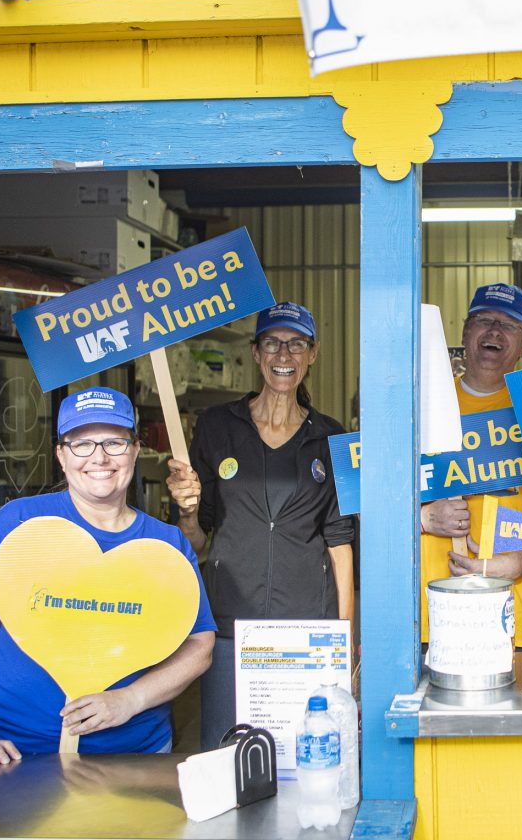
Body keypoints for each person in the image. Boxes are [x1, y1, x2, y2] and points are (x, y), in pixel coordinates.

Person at [0, 388, 215, 765]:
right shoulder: (16, 525)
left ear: (135, 449)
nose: (99, 457)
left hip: (136, 759)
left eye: (115, 442)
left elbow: (199, 646)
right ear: (61, 456)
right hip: (13, 759)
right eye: (81, 444)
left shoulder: (166, 544)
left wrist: (130, 700)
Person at [166, 301, 355, 750]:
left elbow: (340, 542)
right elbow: (194, 539)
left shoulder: (331, 437)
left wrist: (344, 639)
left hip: (307, 630)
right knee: (223, 754)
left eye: (296, 344)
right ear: (255, 353)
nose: (283, 355)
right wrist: (188, 512)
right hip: (233, 627)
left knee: (302, 752)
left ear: (313, 354)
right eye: (272, 343)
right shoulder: (217, 427)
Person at [419, 283, 522, 648]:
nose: (494, 331)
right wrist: (423, 518)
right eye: (484, 320)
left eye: (509, 325)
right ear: (465, 331)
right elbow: (365, 507)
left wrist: (519, 564)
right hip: (435, 622)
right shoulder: (421, 407)